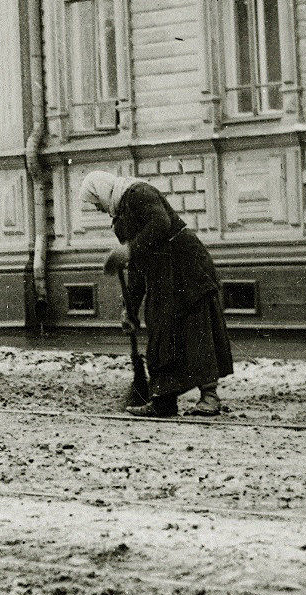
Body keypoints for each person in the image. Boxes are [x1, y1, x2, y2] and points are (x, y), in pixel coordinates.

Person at [80, 170, 233, 418]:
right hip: (163, 274)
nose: (97, 209)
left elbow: (160, 223)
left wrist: (128, 251)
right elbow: (137, 268)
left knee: (196, 328)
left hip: (186, 267)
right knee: (161, 330)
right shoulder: (120, 219)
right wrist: (129, 309)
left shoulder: (139, 193)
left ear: (103, 192)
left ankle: (210, 397)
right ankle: (164, 401)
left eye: (95, 202)